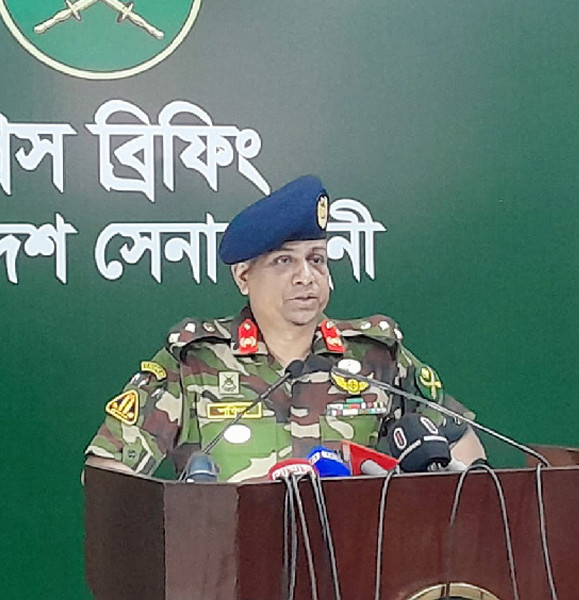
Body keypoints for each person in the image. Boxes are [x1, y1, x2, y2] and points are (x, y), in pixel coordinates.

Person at [85, 175, 485, 482]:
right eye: (284, 261)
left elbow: (461, 444)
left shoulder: (376, 356)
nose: (305, 276)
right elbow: (106, 472)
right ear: (244, 276)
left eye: (316, 259)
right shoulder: (193, 363)